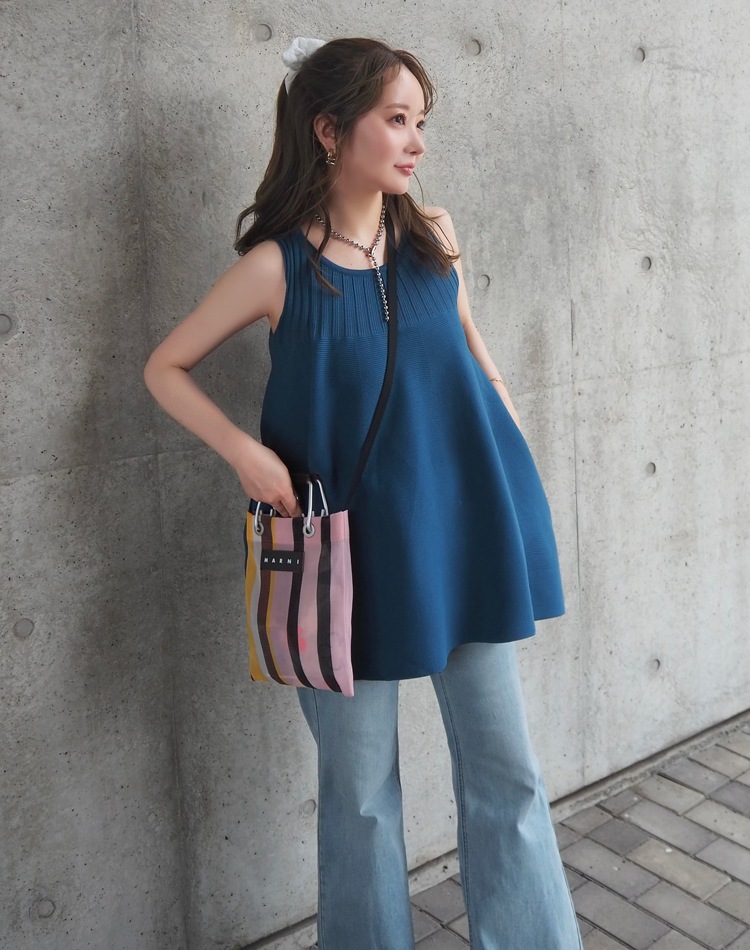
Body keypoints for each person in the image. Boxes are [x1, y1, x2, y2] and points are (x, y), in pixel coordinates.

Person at [144, 35, 582, 950]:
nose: (417, 141)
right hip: (341, 562)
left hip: (459, 537)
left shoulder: (433, 236)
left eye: (422, 121)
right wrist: (244, 456)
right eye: (397, 119)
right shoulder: (278, 269)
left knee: (506, 774)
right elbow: (165, 367)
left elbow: (470, 349)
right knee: (360, 798)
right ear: (330, 129)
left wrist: (506, 426)